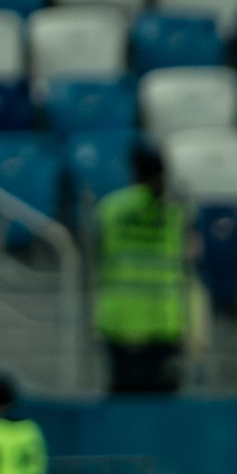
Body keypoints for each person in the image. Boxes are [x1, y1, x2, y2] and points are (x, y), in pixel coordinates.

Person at [96, 149, 191, 394]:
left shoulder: (110, 207)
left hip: (120, 320)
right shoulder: (175, 211)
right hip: (163, 321)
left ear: (134, 172)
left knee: (123, 401)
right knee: (163, 405)